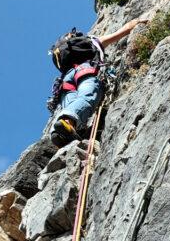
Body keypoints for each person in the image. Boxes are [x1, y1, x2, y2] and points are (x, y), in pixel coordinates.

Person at [49, 17, 146, 145]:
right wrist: (137, 22)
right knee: (86, 98)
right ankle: (67, 123)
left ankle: (60, 133)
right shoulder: (91, 41)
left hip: (65, 83)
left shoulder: (64, 56)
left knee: (71, 106)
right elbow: (122, 32)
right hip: (85, 70)